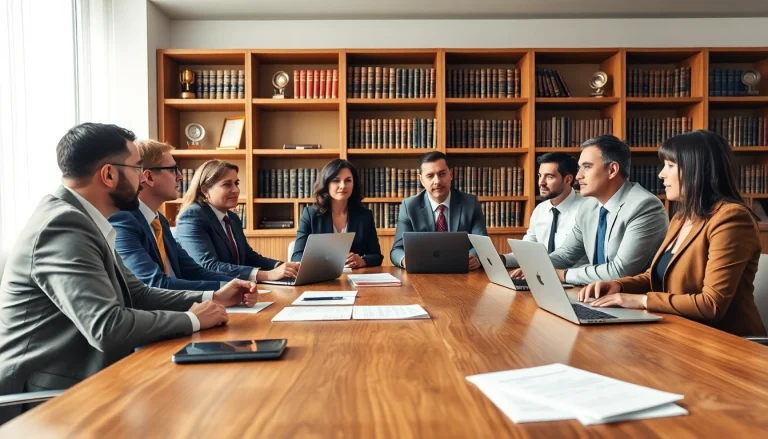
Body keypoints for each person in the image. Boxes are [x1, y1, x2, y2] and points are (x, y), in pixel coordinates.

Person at [0, 123, 259, 423]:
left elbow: (136, 292)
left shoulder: (84, 218)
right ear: (109, 174)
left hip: (90, 379)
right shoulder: (63, 227)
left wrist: (213, 296)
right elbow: (107, 327)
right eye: (137, 167)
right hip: (47, 399)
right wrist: (193, 318)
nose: (142, 178)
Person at [579, 130, 767, 337]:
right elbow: (656, 275)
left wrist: (640, 300)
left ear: (696, 170)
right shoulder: (681, 217)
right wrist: (618, 285)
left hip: (725, 342)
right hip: (680, 330)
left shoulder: (731, 218)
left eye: (670, 165)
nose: (661, 174)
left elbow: (711, 304)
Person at [516, 135, 668, 285]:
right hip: (596, 296)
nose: (578, 176)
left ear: (612, 170)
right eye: (579, 168)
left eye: (587, 167)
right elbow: (565, 255)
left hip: (632, 300)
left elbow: (620, 271)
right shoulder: (588, 206)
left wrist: (562, 275)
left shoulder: (645, 206)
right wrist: (535, 266)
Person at [109, 139, 234, 291]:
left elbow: (193, 271)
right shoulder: (123, 221)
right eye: (173, 169)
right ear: (148, 177)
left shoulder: (159, 220)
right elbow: (156, 284)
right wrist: (225, 289)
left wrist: (238, 285)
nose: (180, 176)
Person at [175, 160, 299, 282]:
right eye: (227, 184)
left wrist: (282, 266)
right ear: (205, 190)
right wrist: (267, 275)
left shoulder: (232, 217)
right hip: (208, 295)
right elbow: (208, 266)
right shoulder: (192, 216)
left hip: (237, 290)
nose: (236, 190)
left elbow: (249, 257)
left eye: (236, 183)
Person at [390, 151, 488, 270]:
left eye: (442, 174)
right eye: (430, 176)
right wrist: (406, 260)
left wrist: (475, 257)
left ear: (450, 174)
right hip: (423, 274)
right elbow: (397, 250)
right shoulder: (409, 206)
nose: (437, 181)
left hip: (462, 273)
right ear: (421, 180)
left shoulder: (470, 203)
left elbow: (482, 244)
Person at [501, 152, 586, 274]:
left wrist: (535, 268)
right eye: (540, 176)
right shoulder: (540, 210)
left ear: (568, 179)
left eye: (549, 177)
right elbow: (527, 251)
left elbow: (567, 257)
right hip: (542, 277)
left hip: (575, 282)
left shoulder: (586, 209)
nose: (541, 182)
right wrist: (503, 259)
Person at [292, 159, 383, 268]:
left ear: (354, 184)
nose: (343, 185)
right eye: (336, 180)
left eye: (348, 180)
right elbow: (297, 256)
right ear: (327, 184)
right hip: (322, 278)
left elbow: (376, 256)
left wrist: (362, 260)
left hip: (354, 278)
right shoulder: (311, 214)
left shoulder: (365, 216)